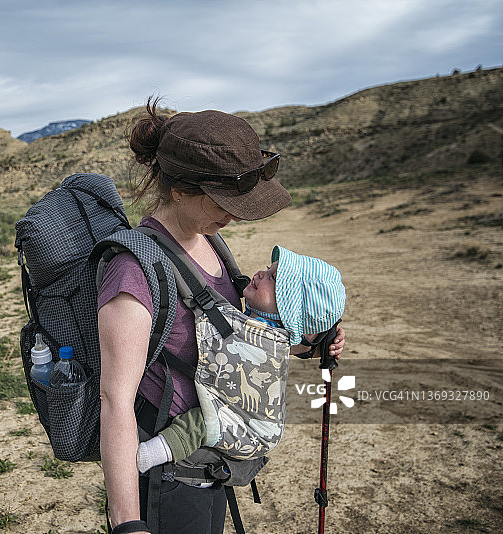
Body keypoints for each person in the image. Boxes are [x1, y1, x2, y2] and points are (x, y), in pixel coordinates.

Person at [97, 100, 346, 534]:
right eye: (223, 202)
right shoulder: (134, 273)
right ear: (179, 191)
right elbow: (114, 400)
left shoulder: (208, 241)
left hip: (210, 467)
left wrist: (307, 344)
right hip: (169, 478)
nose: (233, 215)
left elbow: (232, 335)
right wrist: (128, 523)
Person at [136, 246, 347, 473]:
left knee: (201, 424)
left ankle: (152, 454)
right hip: (255, 419)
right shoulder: (267, 329)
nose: (259, 274)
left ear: (290, 309)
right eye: (267, 269)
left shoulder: (266, 337)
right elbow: (292, 345)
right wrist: (316, 347)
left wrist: (318, 345)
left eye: (273, 278)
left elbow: (278, 349)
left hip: (251, 430)